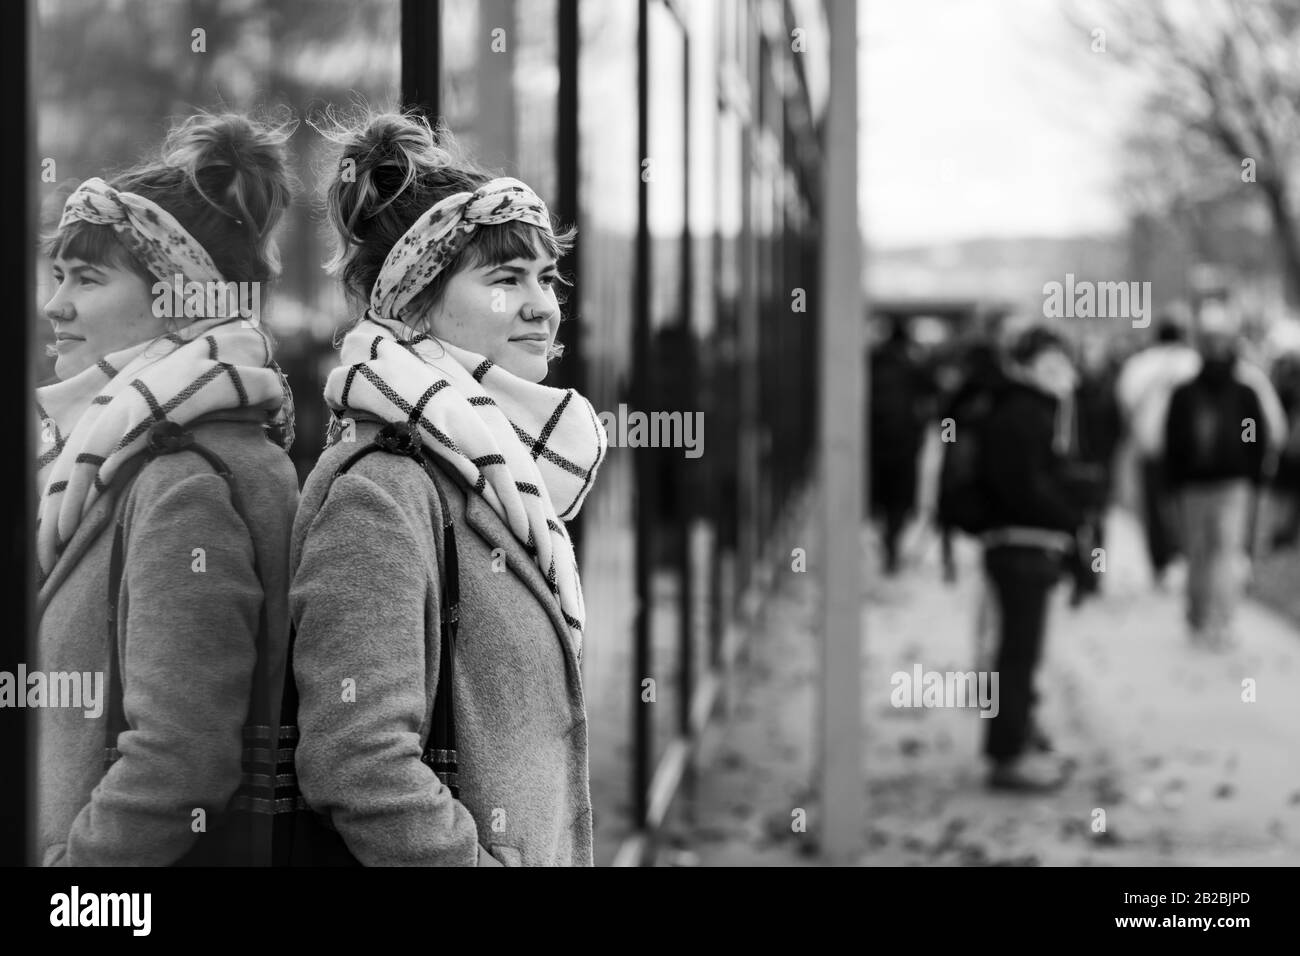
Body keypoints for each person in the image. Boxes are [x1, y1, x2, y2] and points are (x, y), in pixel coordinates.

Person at [290, 110, 607, 866]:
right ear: (415, 304)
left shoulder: (495, 472)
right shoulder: (385, 491)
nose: (541, 304)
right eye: (505, 280)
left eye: (545, 277)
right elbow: (359, 762)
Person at [34, 112, 299, 865]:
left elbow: (180, 760)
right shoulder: (136, 449)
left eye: (86, 278)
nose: (56, 305)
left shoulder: (182, 481)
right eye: (58, 275)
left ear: (179, 300)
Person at [978, 326, 1086, 792]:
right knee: (1018, 656)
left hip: (1022, 544)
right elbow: (1025, 487)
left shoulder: (1023, 409)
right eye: (1050, 366)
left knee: (1018, 654)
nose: (1062, 377)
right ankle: (1008, 753)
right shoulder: (1025, 414)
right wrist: (1069, 513)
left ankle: (1017, 738)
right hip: (1023, 546)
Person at [1164, 316, 1282, 649]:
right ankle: (1206, 617)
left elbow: (1251, 434)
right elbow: (1176, 439)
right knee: (1208, 553)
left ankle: (1216, 618)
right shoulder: (1193, 394)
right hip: (1204, 484)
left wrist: (1252, 470)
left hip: (1225, 484)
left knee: (1218, 553)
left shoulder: (1241, 394)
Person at [1116, 316, 1198, 586]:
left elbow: (1125, 402)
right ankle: (1186, 557)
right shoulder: (1193, 362)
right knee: (1186, 503)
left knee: (1154, 506)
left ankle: (1161, 563)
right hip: (1189, 449)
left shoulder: (1139, 364)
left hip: (1150, 445)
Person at [869, 318, 932, 574]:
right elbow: (933, 396)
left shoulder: (871, 362)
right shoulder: (912, 366)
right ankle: (892, 543)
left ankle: (887, 541)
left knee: (882, 496)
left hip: (875, 444)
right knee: (899, 499)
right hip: (905, 444)